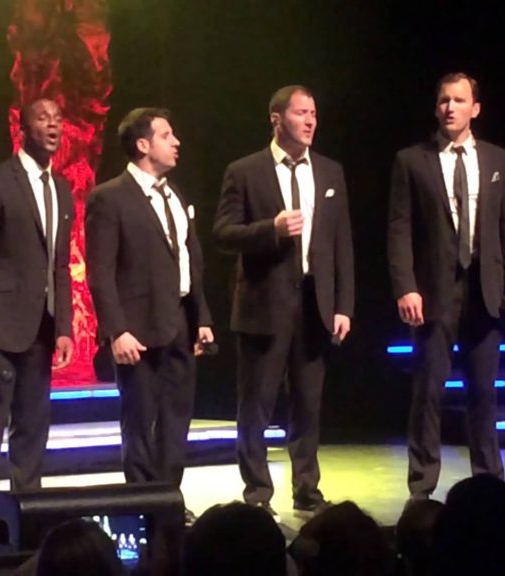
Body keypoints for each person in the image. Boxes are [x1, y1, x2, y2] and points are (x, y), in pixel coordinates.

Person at [212, 85, 354, 517]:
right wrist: (269, 229)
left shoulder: (330, 171)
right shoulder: (245, 171)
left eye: (314, 113)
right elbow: (223, 233)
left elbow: (341, 243)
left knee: (308, 405)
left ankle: (307, 489)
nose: (310, 121)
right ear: (276, 119)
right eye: (301, 113)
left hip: (314, 305)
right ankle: (257, 492)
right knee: (256, 405)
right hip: (264, 305)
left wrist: (343, 304)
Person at [387, 72, 505, 501]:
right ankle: (422, 487)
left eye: (459, 100)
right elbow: (399, 229)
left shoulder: (497, 159)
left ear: (475, 109)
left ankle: (489, 482)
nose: (450, 107)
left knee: (483, 392)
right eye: (444, 100)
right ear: (436, 108)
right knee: (428, 391)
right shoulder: (412, 160)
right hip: (434, 292)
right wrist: (406, 286)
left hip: (485, 289)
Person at [0, 97, 75, 542]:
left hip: (41, 327)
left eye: (58, 119)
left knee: (32, 429)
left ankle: (27, 516)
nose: (53, 126)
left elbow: (60, 264)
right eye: (43, 118)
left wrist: (64, 326)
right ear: (22, 127)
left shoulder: (60, 188)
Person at [86, 108, 213, 504]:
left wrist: (201, 317)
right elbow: (100, 272)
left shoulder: (175, 195)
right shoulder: (110, 197)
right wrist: (116, 330)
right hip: (137, 329)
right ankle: (143, 502)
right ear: (143, 145)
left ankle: (169, 500)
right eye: (166, 135)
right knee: (141, 421)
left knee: (177, 420)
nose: (176, 142)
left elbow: (190, 261)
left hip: (179, 322)